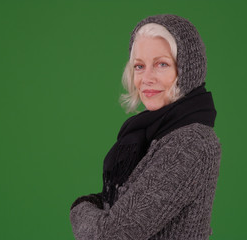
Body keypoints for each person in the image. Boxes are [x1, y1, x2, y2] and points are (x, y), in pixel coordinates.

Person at [69, 14, 222, 240]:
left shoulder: (191, 143)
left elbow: (112, 235)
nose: (147, 78)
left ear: (188, 71)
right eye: (139, 66)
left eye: (162, 64)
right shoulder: (149, 134)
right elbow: (118, 209)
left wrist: (79, 208)